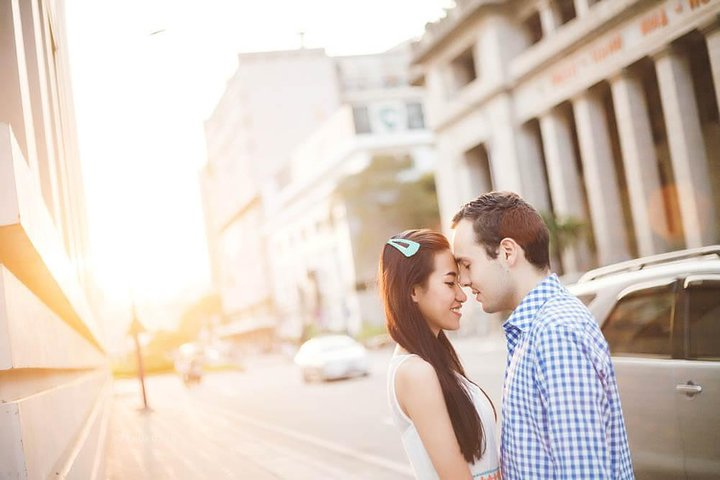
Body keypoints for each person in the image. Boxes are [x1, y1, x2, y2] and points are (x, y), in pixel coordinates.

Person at [451, 191, 634, 479]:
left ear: (507, 252)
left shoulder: (554, 332)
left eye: (466, 264)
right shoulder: (535, 328)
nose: (463, 280)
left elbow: (583, 473)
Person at [379, 229, 500, 480]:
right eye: (449, 283)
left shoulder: (434, 363)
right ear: (413, 290)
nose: (462, 295)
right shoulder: (416, 372)